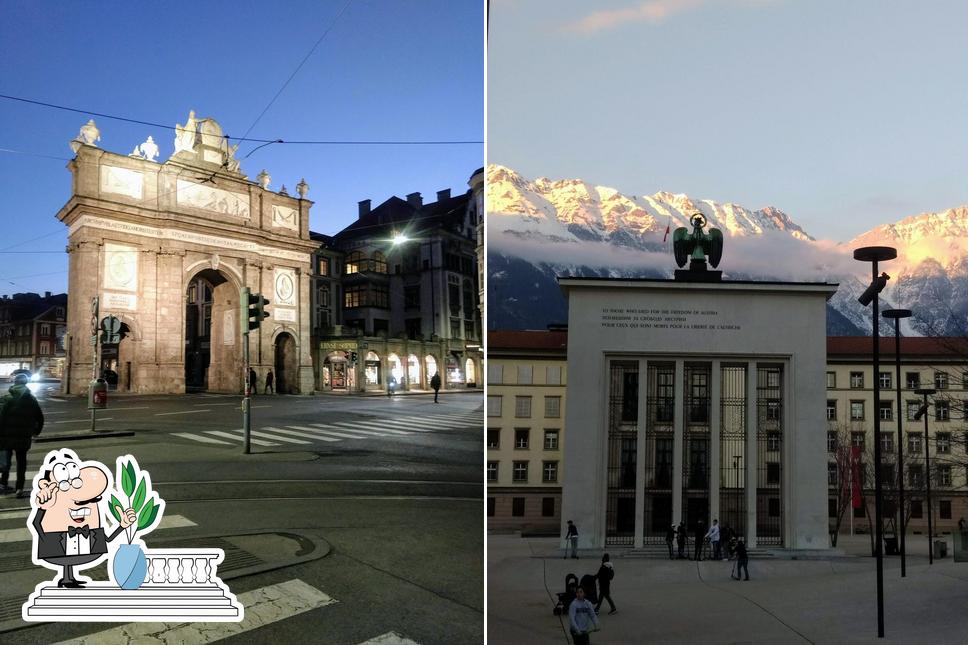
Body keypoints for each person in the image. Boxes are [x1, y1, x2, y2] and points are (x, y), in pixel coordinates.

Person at [0, 373, 45, 498]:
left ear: (14, 383)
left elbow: (1, 417)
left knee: (6, 461)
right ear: (25, 383)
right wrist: (36, 432)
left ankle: (3, 483)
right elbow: (40, 418)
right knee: (21, 462)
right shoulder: (31, 399)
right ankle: (19, 488)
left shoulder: (7, 398)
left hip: (7, 436)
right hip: (24, 437)